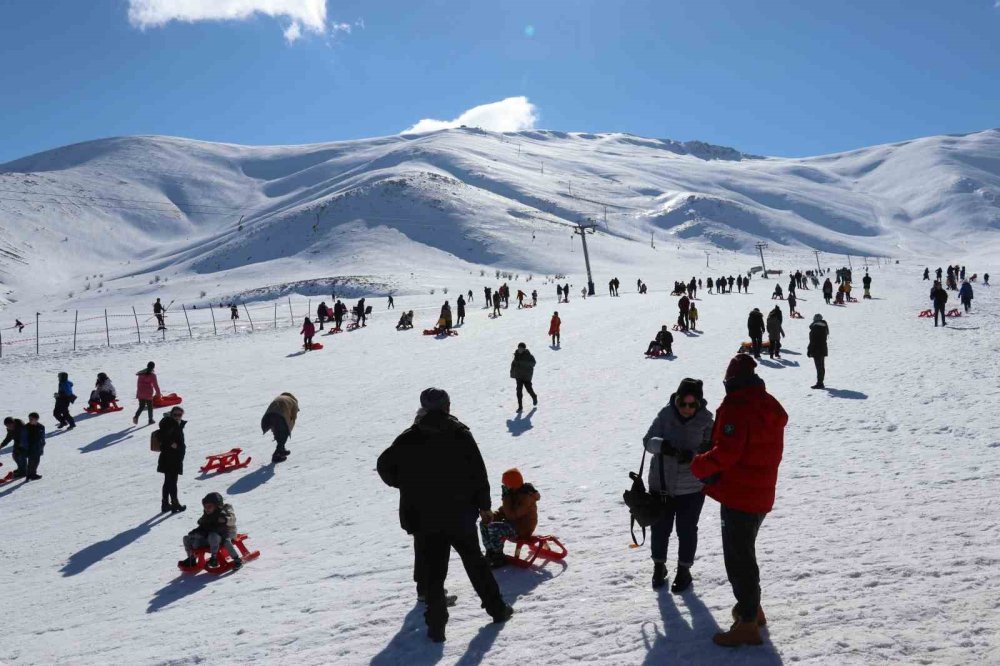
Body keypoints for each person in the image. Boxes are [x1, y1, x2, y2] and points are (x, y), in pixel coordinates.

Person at [377, 388, 514, 643]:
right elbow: (478, 473)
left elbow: (384, 466)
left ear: (424, 408)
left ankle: (436, 628)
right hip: (459, 516)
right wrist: (484, 506)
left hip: (424, 518)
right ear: (447, 406)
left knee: (433, 573)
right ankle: (497, 610)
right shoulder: (460, 434)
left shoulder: (409, 438)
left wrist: (405, 483)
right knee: (476, 564)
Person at [691, 355, 787, 647]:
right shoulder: (767, 403)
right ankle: (753, 610)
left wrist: (699, 465)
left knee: (738, 558)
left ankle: (746, 622)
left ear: (731, 381)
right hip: (761, 492)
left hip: (740, 495)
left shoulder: (737, 406)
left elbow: (727, 452)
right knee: (745, 552)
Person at [642, 378, 714, 592]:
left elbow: (712, 451)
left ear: (699, 404)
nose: (687, 409)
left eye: (692, 405)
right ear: (677, 400)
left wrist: (693, 456)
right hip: (661, 484)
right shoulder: (665, 415)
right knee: (660, 528)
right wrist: (662, 446)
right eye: (683, 403)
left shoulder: (707, 421)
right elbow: (647, 441)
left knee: (687, 530)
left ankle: (684, 571)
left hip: (691, 488)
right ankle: (659, 567)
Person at [480, 468, 541, 568]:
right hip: (514, 525)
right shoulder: (514, 493)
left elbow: (512, 515)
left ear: (513, 483)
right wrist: (491, 516)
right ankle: (491, 552)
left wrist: (505, 497)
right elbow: (504, 510)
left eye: (506, 483)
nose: (504, 486)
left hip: (523, 529)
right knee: (484, 524)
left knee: (494, 527)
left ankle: (498, 556)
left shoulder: (527, 497)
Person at [179, 492, 243, 570]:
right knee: (188, 538)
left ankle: (235, 560)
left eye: (209, 506)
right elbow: (203, 525)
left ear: (217, 505)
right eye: (205, 507)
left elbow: (232, 519)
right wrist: (196, 532)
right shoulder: (207, 514)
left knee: (218, 538)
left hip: (227, 533)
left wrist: (225, 519)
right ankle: (192, 558)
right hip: (212, 536)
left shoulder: (225, 509)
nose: (207, 509)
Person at [157, 406, 187, 513]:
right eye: (175, 414)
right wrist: (171, 444)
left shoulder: (175, 423)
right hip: (170, 457)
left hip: (173, 457)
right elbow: (162, 436)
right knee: (172, 482)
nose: (178, 417)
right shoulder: (169, 423)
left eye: (180, 415)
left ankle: (165, 504)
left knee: (168, 481)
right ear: (171, 414)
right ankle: (175, 504)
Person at [262, 392, 298, 464]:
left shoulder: (279, 398)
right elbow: (293, 418)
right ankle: (276, 455)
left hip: (269, 416)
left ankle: (282, 449)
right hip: (280, 416)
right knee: (283, 434)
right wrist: (288, 430)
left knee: (279, 433)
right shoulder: (294, 402)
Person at [510, 343, 538, 412]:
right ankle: (520, 407)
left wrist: (523, 362)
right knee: (518, 391)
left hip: (526, 376)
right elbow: (513, 364)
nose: (520, 349)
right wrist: (512, 373)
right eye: (519, 348)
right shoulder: (516, 355)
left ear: (524, 349)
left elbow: (533, 363)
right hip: (518, 376)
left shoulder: (529, 356)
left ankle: (534, 396)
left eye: (521, 348)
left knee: (529, 389)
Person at [133, 361, 161, 425]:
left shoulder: (141, 374)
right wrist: (158, 394)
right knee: (150, 407)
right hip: (148, 393)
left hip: (140, 392)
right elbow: (155, 385)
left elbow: (138, 384)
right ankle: (150, 420)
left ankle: (136, 417)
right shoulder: (152, 375)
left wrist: (139, 391)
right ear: (153, 367)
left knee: (141, 406)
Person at [807, 314, 829, 389]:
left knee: (819, 367)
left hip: (817, 350)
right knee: (821, 367)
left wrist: (809, 350)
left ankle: (820, 383)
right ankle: (820, 382)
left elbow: (813, 341)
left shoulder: (816, 328)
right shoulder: (824, 327)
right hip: (822, 349)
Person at [24, 412, 45, 481]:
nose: (30, 420)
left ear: (36, 419)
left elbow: (43, 438)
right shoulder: (26, 427)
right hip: (30, 448)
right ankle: (29, 475)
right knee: (30, 462)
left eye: (31, 419)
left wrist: (42, 446)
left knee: (36, 461)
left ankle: (33, 474)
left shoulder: (41, 427)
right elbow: (23, 438)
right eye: (29, 419)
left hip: (38, 447)